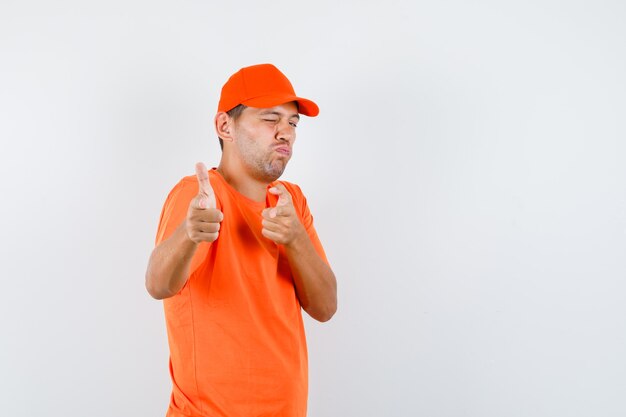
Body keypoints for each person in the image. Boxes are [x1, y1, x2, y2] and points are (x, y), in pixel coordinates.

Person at [145, 63, 337, 417]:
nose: (286, 133)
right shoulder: (198, 196)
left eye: (293, 123)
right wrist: (189, 235)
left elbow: (325, 308)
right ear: (224, 126)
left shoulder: (290, 200)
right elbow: (158, 284)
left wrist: (296, 240)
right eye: (270, 119)